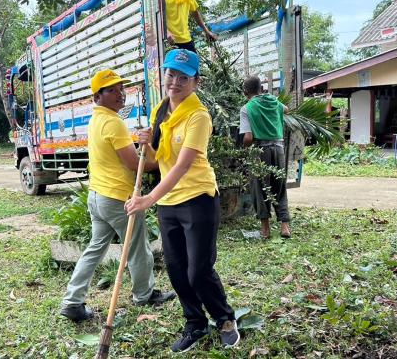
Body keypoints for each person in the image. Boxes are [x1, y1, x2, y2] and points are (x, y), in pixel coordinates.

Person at [125, 49, 240, 353]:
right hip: (169, 203)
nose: (174, 82)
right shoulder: (161, 110)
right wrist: (145, 144)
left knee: (198, 270)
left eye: (183, 78)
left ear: (195, 82)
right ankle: (195, 323)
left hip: (198, 199)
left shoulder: (199, 117)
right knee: (176, 268)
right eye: (170, 74)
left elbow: (182, 165)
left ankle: (225, 319)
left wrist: (148, 198)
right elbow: (155, 160)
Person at [60, 69, 175, 322]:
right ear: (97, 96)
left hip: (97, 196)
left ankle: (72, 300)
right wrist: (165, 162)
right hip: (118, 199)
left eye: (121, 88)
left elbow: (119, 157)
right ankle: (144, 294)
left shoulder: (96, 119)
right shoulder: (113, 122)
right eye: (111, 90)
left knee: (95, 248)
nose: (119, 94)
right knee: (137, 247)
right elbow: (136, 164)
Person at [240, 76, 291, 239]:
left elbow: (248, 138)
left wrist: (243, 148)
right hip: (279, 147)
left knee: (260, 188)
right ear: (261, 89)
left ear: (245, 91)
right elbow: (287, 109)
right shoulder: (274, 101)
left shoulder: (247, 108)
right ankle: (284, 226)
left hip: (260, 150)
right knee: (280, 187)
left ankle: (265, 229)